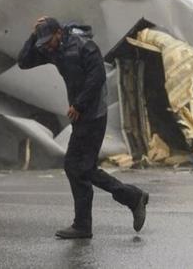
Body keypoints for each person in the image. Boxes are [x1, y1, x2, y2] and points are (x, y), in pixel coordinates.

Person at [17, 16, 149, 239]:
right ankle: (93, 219)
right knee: (78, 168)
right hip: (80, 114)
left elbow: (97, 78)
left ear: (60, 32)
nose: (48, 45)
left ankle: (126, 200)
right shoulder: (53, 49)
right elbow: (24, 62)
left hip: (94, 113)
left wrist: (79, 104)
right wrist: (34, 36)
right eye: (45, 42)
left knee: (79, 167)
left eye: (50, 39)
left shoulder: (84, 46)